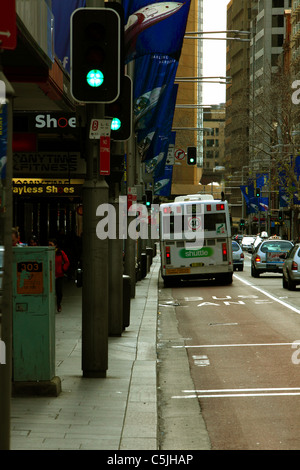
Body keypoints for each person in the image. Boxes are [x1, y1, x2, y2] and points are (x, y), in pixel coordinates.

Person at [49, 239, 70, 312]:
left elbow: (67, 261)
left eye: (51, 245)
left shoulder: (60, 253)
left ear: (55, 245)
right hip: (50, 275)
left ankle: (58, 304)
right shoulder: (47, 253)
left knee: (59, 292)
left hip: (59, 275)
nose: (49, 246)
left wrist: (63, 269)